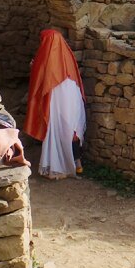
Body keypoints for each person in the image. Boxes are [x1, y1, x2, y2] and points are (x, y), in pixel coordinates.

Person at [25, 28, 86, 179]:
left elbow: (40, 80)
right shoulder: (68, 56)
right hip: (73, 100)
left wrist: (33, 67)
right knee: (72, 129)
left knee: (56, 129)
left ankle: (58, 165)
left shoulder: (44, 57)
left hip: (56, 102)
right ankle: (77, 163)